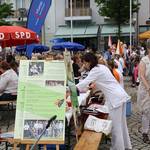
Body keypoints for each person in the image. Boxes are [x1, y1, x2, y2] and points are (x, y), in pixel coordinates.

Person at [76, 52, 132, 150]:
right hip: (120, 95)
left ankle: (117, 148)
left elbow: (84, 83)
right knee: (122, 125)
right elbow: (103, 82)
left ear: (89, 62)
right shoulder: (101, 67)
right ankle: (126, 146)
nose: (84, 65)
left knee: (116, 126)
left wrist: (70, 88)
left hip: (115, 98)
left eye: (85, 63)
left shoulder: (95, 70)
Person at [137, 39, 150, 144]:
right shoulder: (144, 60)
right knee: (146, 112)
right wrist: (148, 88)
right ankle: (145, 133)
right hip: (145, 90)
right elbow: (141, 76)